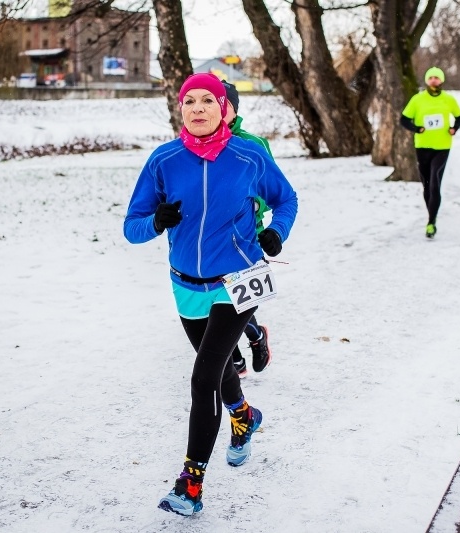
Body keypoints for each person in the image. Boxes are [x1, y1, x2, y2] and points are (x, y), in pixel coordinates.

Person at [123, 73, 298, 516]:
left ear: (225, 108)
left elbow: (287, 198)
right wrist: (156, 222)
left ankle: (190, 486)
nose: (198, 108)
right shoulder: (164, 160)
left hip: (237, 280)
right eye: (189, 101)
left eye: (208, 100)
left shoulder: (248, 155)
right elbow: (132, 226)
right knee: (218, 372)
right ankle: (245, 416)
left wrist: (276, 232)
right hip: (186, 285)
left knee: (203, 379)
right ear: (180, 109)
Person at [221, 80, 273, 378]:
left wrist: (257, 206)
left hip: (245, 237)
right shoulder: (194, 144)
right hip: (208, 238)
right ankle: (235, 355)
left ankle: (254, 335)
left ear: (233, 108)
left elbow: (272, 188)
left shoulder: (252, 144)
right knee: (213, 301)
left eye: (221, 103)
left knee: (238, 300)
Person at [400, 66, 460, 238]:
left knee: (435, 180)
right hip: (422, 146)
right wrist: (416, 128)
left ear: (441, 80)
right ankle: (431, 217)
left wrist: (454, 128)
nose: (434, 80)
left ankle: (431, 222)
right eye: (431, 78)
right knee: (427, 186)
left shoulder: (448, 99)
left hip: (442, 146)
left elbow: (459, 116)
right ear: (427, 81)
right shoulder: (417, 99)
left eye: (437, 77)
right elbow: (404, 119)